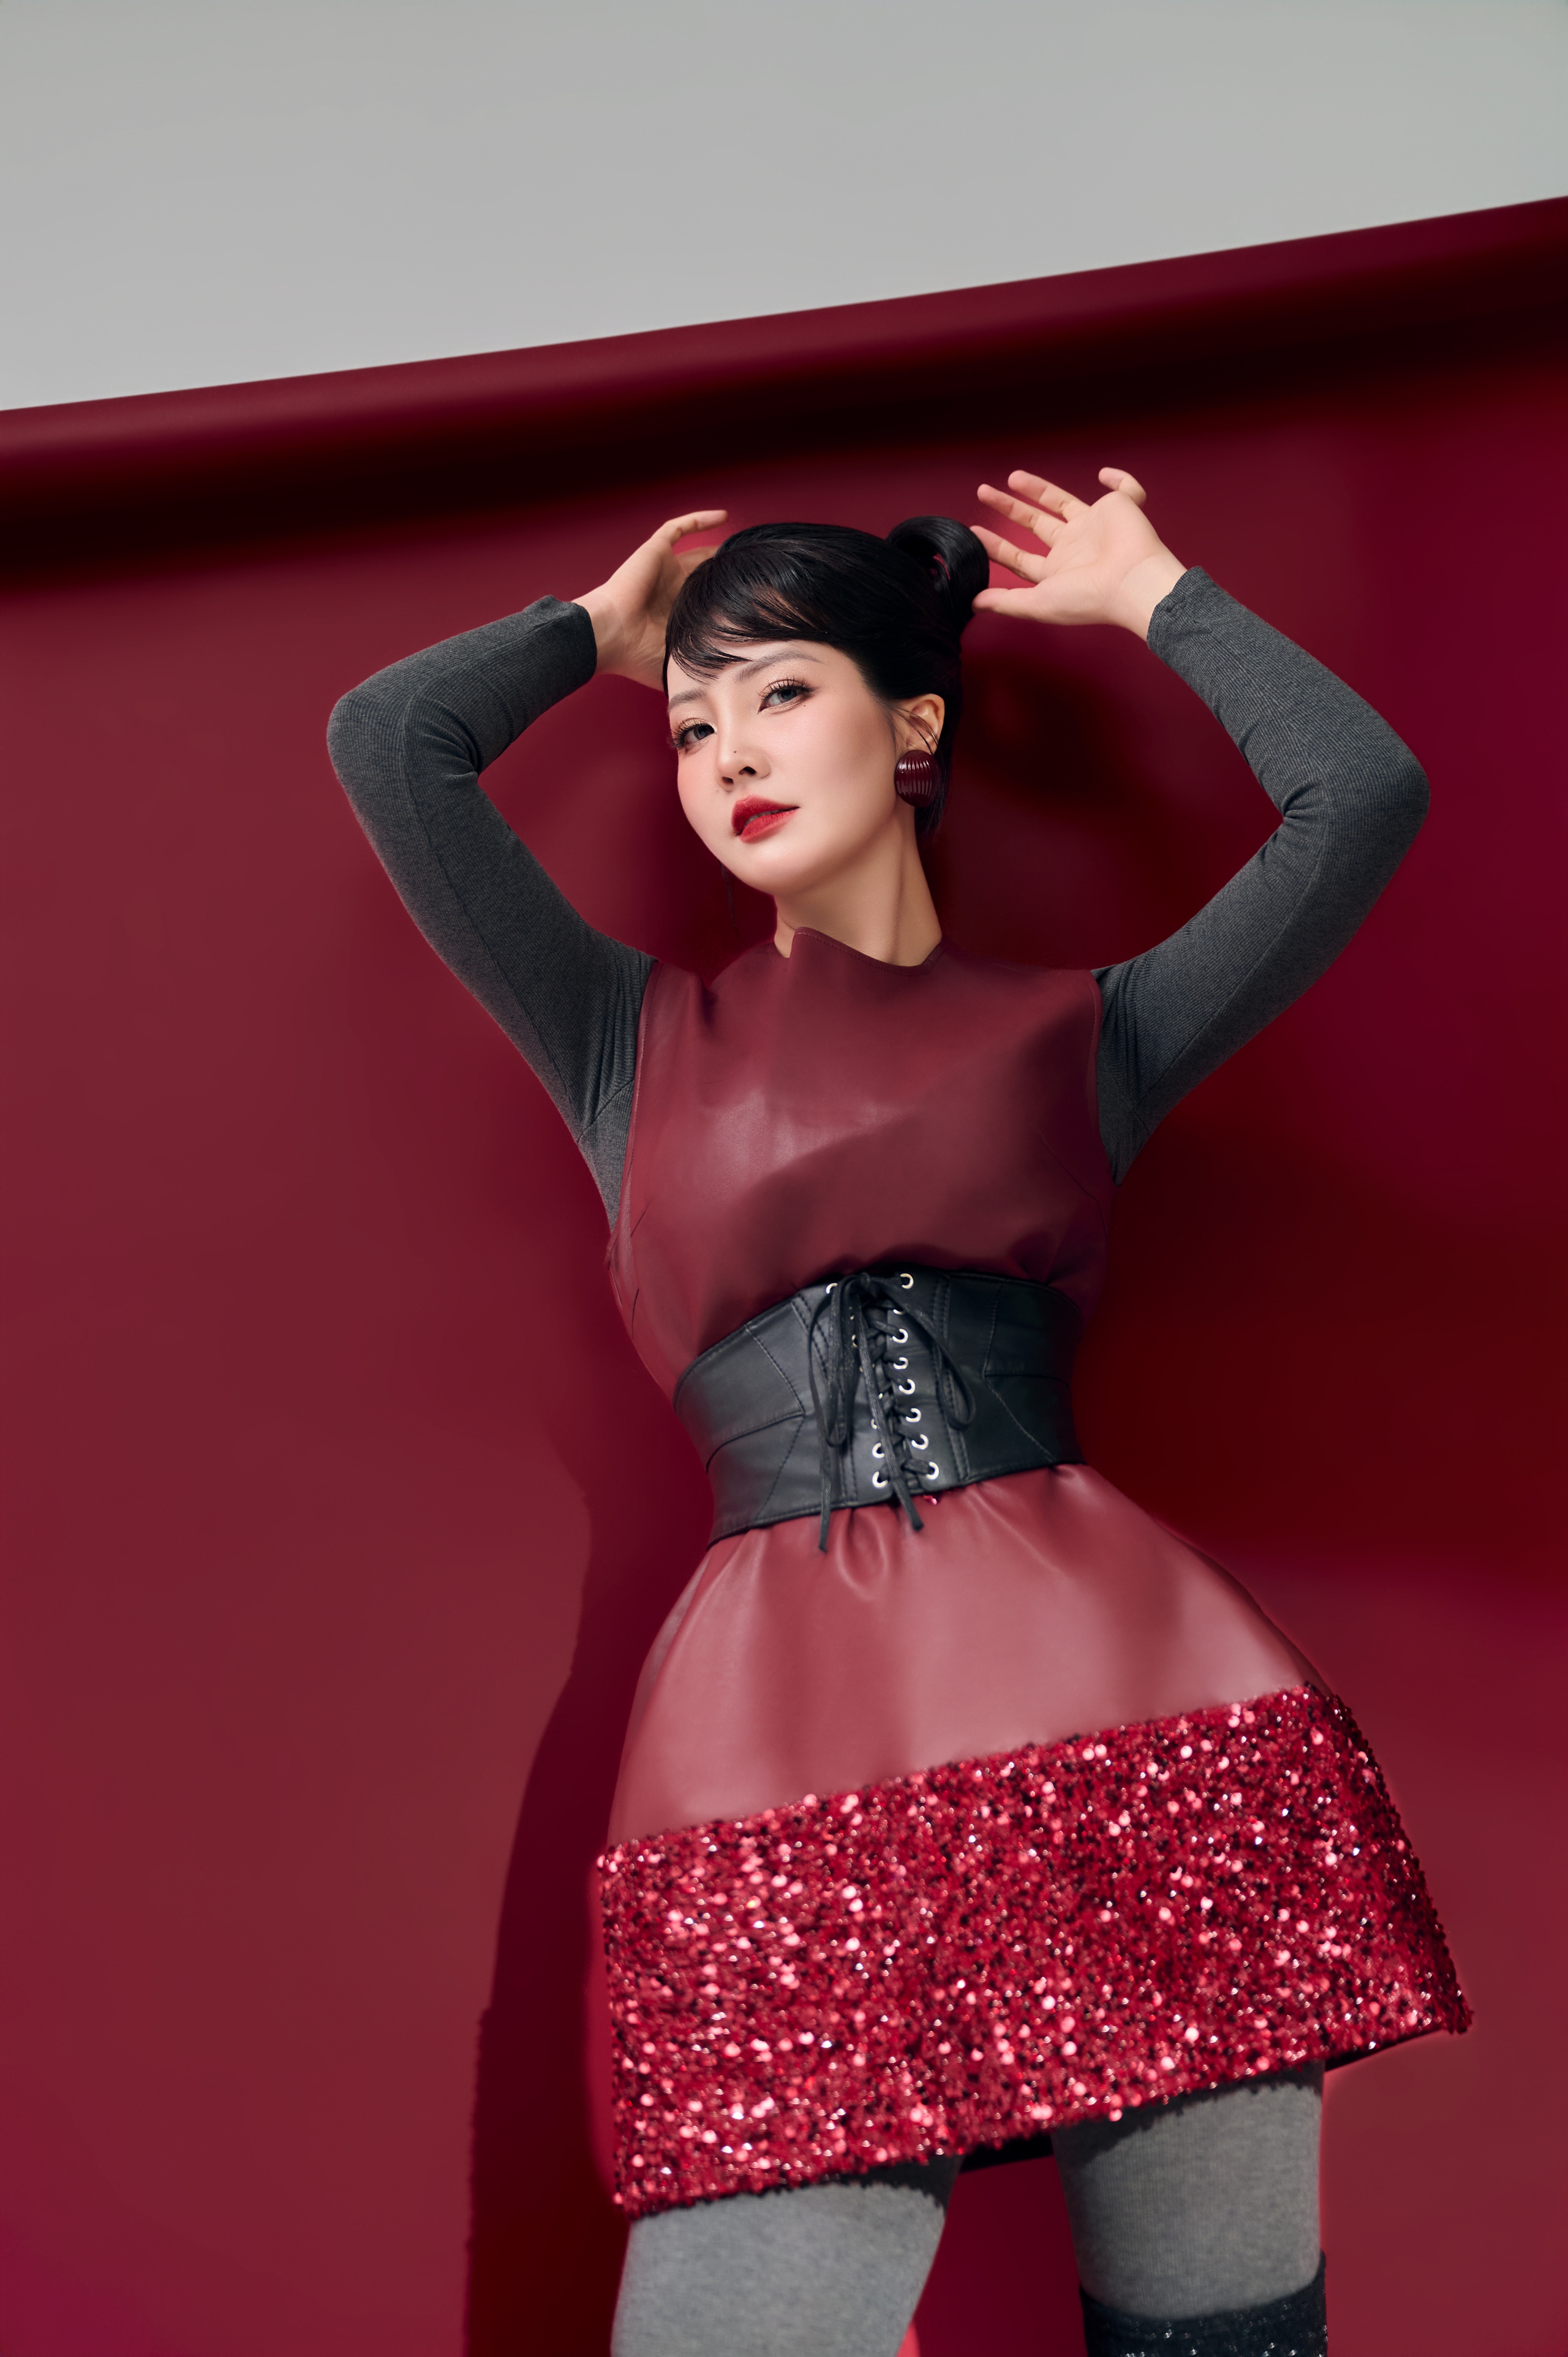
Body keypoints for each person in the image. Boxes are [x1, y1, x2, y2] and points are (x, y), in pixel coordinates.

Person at [328, 467, 1467, 2357]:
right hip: (784, 1765)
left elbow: (1365, 794)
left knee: (1227, 2343)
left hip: (1145, 1742)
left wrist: (1157, 593)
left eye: (781, 693)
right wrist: (593, 637)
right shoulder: (624, 1041)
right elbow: (390, 744)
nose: (727, 753)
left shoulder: (1089, 1031)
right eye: (694, 724)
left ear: (913, 728)